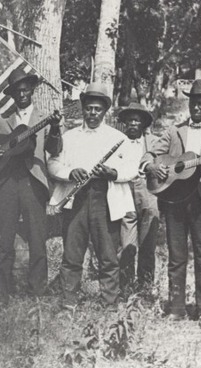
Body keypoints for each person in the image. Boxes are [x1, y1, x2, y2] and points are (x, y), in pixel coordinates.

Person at [140, 79, 201, 331]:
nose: (197, 107)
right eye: (194, 102)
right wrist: (152, 166)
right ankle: (176, 309)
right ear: (189, 103)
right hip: (174, 201)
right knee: (176, 256)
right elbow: (150, 153)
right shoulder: (174, 130)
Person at [0, 67, 61, 303]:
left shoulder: (44, 118)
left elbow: (55, 149)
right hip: (7, 182)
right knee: (5, 239)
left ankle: (36, 294)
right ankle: (2, 294)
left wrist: (56, 128)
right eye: (17, 91)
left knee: (37, 238)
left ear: (32, 90)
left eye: (26, 90)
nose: (22, 94)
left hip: (33, 182)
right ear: (12, 94)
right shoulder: (3, 119)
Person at [47, 83, 136, 310]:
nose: (92, 113)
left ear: (105, 110)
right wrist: (70, 173)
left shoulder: (119, 138)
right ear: (83, 109)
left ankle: (109, 304)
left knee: (107, 254)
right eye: (89, 108)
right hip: (76, 198)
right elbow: (53, 164)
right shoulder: (70, 136)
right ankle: (69, 303)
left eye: (97, 109)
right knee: (72, 253)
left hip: (104, 198)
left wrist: (112, 173)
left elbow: (132, 168)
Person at [117, 102, 160, 293]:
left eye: (137, 120)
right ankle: (125, 288)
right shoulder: (118, 141)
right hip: (124, 190)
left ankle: (145, 288)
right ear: (125, 123)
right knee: (126, 243)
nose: (133, 124)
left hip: (148, 191)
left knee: (148, 242)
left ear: (143, 123)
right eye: (130, 120)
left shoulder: (155, 142)